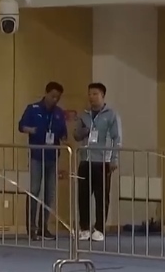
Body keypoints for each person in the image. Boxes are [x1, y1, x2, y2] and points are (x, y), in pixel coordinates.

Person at [18, 81, 67, 241]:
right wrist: (31, 130)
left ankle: (43, 226)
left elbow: (63, 133)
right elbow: (21, 126)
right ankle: (31, 227)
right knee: (34, 190)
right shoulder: (33, 109)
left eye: (58, 97)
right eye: (53, 96)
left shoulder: (59, 113)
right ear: (46, 94)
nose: (55, 100)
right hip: (37, 156)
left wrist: (65, 138)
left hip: (52, 157)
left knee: (49, 193)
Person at [73, 82, 122, 242]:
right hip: (85, 160)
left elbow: (117, 138)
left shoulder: (111, 115)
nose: (91, 97)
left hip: (102, 161)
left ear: (102, 95)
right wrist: (83, 131)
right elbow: (76, 135)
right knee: (83, 196)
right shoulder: (84, 114)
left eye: (95, 94)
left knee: (101, 197)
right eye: (89, 94)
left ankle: (99, 228)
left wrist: (114, 159)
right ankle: (84, 228)